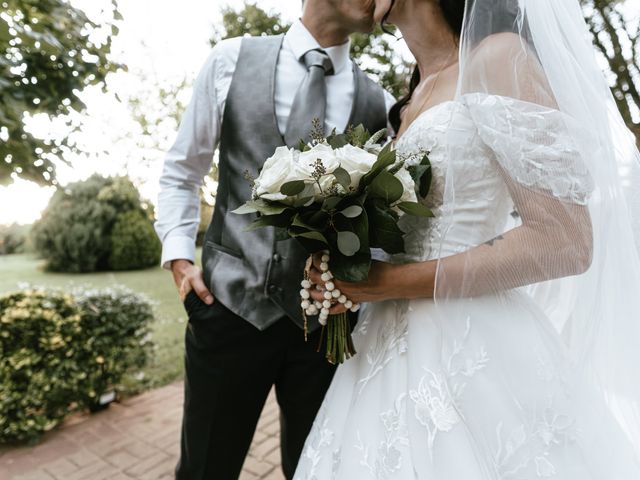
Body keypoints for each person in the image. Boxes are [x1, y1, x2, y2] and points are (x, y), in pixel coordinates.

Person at [294, 0, 640, 478]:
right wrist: (344, 275)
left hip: (473, 348)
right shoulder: (409, 98)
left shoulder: (499, 58)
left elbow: (564, 240)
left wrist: (389, 283)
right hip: (382, 346)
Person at [153, 1, 394, 478]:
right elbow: (182, 171)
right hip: (228, 308)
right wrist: (180, 261)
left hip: (328, 327)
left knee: (315, 469)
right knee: (205, 467)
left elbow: (385, 215)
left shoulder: (379, 100)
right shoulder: (230, 60)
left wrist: (363, 280)